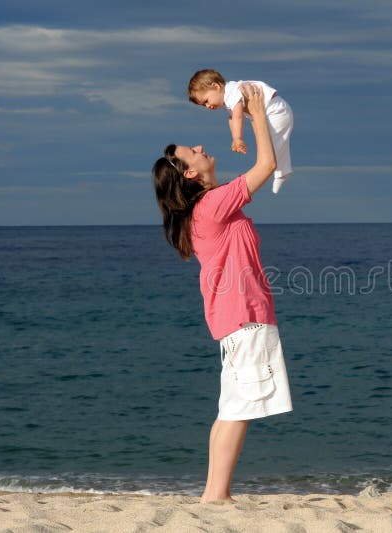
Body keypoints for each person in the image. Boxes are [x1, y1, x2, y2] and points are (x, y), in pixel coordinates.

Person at [151, 84, 293, 503]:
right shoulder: (212, 206)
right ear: (189, 173)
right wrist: (256, 114)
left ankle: (215, 493)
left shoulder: (210, 207)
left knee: (231, 408)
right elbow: (266, 164)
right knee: (238, 410)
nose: (198, 146)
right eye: (190, 152)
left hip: (235, 319)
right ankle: (216, 496)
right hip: (244, 317)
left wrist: (251, 119)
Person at [188, 69, 294, 194]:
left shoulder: (232, 93)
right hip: (272, 112)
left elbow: (238, 116)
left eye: (206, 101)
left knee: (272, 146)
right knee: (275, 145)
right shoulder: (228, 99)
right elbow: (232, 119)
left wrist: (237, 138)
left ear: (216, 86)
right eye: (203, 105)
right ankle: (283, 172)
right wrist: (234, 138)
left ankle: (281, 174)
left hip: (276, 111)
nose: (208, 106)